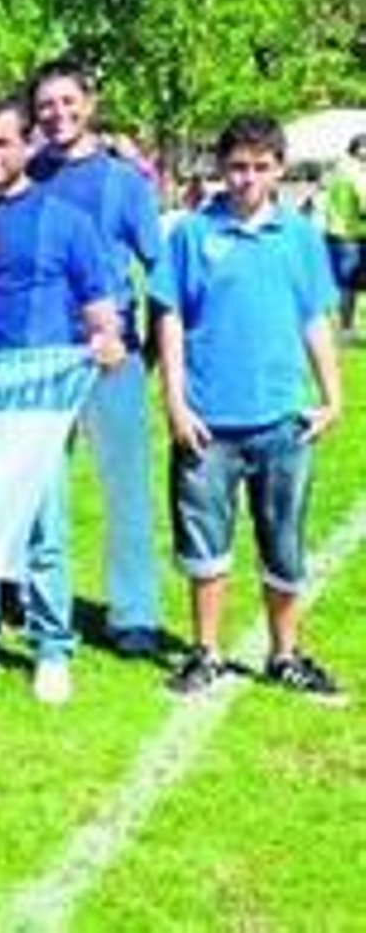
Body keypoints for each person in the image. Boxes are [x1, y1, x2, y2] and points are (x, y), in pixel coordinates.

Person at [0, 92, 123, 705]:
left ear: (27, 145)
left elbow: (100, 309)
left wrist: (108, 341)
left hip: (40, 400)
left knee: (44, 527)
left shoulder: (63, 220)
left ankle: (51, 647)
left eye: (2, 143)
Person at [151, 115, 345, 703]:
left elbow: (315, 317)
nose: (248, 178)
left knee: (283, 540)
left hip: (281, 419)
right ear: (219, 168)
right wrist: (176, 402)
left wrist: (333, 396)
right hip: (209, 422)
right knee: (205, 545)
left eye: (261, 167)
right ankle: (206, 652)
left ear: (279, 169)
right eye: (237, 166)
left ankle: (285, 654)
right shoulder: (190, 233)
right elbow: (169, 316)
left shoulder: (300, 237)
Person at [29, 57, 164, 657]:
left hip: (110, 358)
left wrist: (153, 353)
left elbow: (160, 270)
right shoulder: (27, 171)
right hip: (41, 361)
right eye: (46, 105)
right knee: (36, 488)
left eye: (68, 102)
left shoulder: (123, 181)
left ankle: (133, 613)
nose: (58, 114)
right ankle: (29, 596)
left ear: (90, 103)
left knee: (125, 490)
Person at [321, 132, 366, 338]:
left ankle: (341, 327)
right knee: (349, 284)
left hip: (334, 232)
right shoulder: (356, 172)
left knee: (342, 283)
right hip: (351, 234)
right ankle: (344, 329)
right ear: (360, 149)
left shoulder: (338, 168)